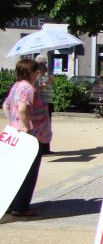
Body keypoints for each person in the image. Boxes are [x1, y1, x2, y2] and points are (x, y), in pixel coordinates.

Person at [3, 58, 52, 217]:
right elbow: (23, 108)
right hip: (31, 135)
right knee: (29, 172)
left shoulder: (16, 86)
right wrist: (24, 125)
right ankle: (21, 207)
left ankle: (10, 203)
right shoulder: (29, 89)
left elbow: (6, 105)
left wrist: (13, 122)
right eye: (36, 71)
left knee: (14, 170)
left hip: (15, 133)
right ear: (30, 72)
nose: (38, 74)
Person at [34, 54, 54, 154]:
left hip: (48, 102)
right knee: (43, 126)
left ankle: (46, 148)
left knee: (47, 125)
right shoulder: (36, 76)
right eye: (44, 63)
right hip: (42, 103)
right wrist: (47, 82)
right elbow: (37, 89)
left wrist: (48, 81)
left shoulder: (43, 75)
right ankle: (42, 148)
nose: (46, 65)